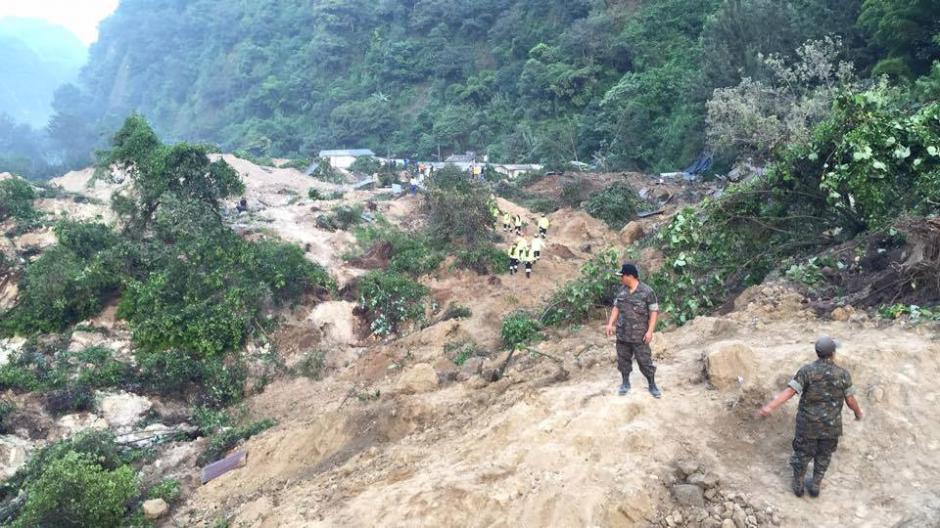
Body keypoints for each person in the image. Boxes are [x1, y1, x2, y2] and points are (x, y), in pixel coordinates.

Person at [758, 337, 863, 498]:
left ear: (817, 353)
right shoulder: (843, 374)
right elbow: (850, 400)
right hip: (831, 426)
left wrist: (769, 407)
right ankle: (815, 485)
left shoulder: (807, 371)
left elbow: (789, 392)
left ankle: (798, 485)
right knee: (824, 456)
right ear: (833, 353)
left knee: (802, 454)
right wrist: (858, 413)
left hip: (808, 425)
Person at [605, 263, 661, 398]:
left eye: (622, 276)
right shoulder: (621, 291)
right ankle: (625, 383)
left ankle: (652, 384)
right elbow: (616, 307)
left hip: (639, 335)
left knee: (645, 361)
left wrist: (650, 331)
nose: (621, 279)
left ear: (630, 276)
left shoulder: (647, 292)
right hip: (622, 334)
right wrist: (610, 323)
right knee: (623, 360)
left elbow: (654, 312)